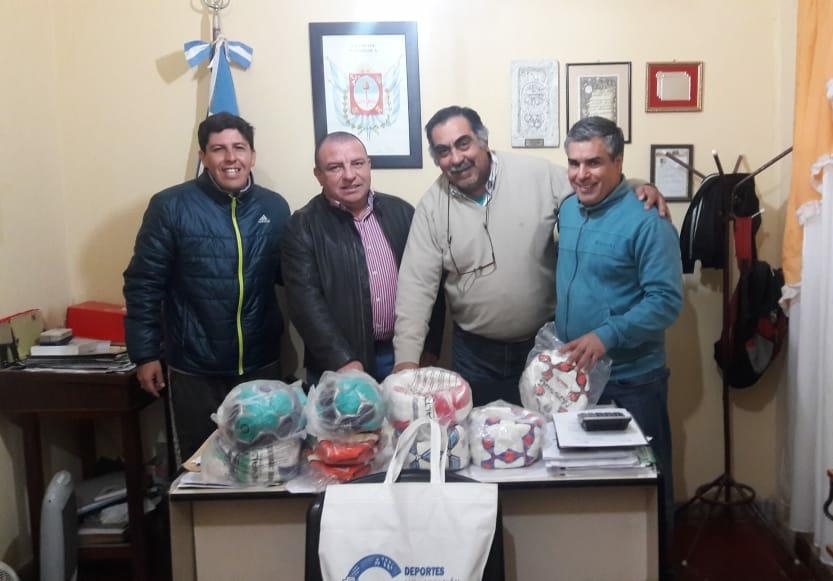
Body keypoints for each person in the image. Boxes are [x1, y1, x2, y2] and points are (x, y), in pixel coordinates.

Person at [393, 105, 667, 406]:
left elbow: (591, 183)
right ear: (435, 158)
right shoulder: (431, 207)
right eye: (443, 151)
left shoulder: (536, 174)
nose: (456, 158)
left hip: (545, 349)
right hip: (475, 357)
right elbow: (415, 288)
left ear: (483, 140)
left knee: (548, 435)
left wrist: (637, 187)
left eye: (463, 143)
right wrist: (406, 362)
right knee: (481, 433)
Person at [123, 112, 291, 465]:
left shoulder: (274, 207)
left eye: (239, 148)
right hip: (196, 368)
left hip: (260, 365)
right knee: (201, 467)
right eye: (218, 149)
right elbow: (144, 283)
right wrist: (145, 354)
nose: (231, 158)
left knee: (262, 464)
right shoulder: (170, 206)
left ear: (252, 155)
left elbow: (288, 277)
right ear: (203, 156)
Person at [556, 116, 682, 558]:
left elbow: (666, 301)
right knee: (589, 487)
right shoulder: (568, 209)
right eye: (574, 163)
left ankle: (658, 565)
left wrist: (606, 335)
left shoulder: (649, 220)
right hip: (576, 378)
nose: (581, 174)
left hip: (633, 382)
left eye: (593, 162)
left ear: (618, 162)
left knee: (644, 484)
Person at [281, 132, 443, 385]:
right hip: (338, 364)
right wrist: (343, 360)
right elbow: (304, 303)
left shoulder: (403, 212)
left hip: (401, 356)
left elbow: (430, 282)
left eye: (357, 163)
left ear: (369, 165)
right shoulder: (302, 225)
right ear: (318, 175)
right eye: (335, 167)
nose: (349, 175)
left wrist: (429, 348)